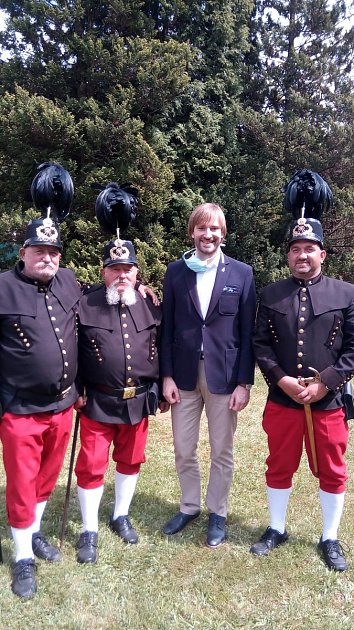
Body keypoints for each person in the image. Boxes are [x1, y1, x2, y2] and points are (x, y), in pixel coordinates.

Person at [250, 215, 354, 571]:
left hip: (328, 401)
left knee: (333, 469)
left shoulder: (347, 293)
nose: (302, 255)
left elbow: (353, 348)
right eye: (296, 249)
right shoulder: (270, 293)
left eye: (309, 248)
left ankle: (329, 536)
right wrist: (282, 381)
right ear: (288, 255)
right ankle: (277, 528)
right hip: (283, 400)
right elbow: (260, 345)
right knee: (279, 465)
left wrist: (326, 381)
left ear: (322, 254)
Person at [161, 203, 256, 547]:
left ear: (223, 234)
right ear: (192, 233)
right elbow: (167, 328)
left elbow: (247, 333)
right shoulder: (176, 272)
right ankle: (189, 506)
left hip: (225, 376)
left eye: (214, 229)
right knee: (184, 448)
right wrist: (166, 376)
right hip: (183, 376)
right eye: (202, 228)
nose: (208, 234)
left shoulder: (242, 273)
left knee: (221, 451)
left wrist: (244, 382)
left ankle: (217, 511)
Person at [0, 218, 81, 598]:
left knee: (46, 477)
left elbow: (97, 306)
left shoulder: (68, 281)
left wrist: (138, 287)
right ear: (24, 253)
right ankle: (21, 558)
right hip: (20, 408)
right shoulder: (2, 288)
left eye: (53, 251)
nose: (47, 257)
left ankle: (33, 534)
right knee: (21, 484)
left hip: (63, 404)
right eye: (39, 251)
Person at [74, 237, 167, 563]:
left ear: (137, 272)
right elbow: (71, 352)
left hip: (139, 401)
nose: (121, 275)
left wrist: (162, 384)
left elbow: (163, 344)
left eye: (127, 269)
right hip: (97, 402)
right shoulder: (84, 304)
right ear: (104, 272)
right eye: (115, 269)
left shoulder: (152, 304)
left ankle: (120, 515)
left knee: (130, 461)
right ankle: (88, 529)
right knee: (90, 467)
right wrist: (76, 389)